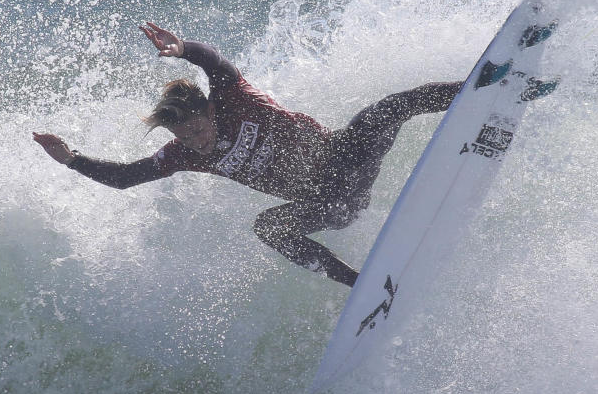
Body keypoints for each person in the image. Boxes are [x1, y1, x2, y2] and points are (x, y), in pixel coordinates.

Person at [32, 22, 461, 288]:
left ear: (210, 111)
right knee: (268, 227)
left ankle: (479, 87)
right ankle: (360, 285)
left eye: (197, 130)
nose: (195, 142)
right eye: (184, 137)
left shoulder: (235, 98)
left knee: (388, 109)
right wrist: (72, 159)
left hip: (345, 160)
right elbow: (126, 178)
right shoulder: (186, 155)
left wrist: (183, 50)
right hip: (327, 204)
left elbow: (214, 62)